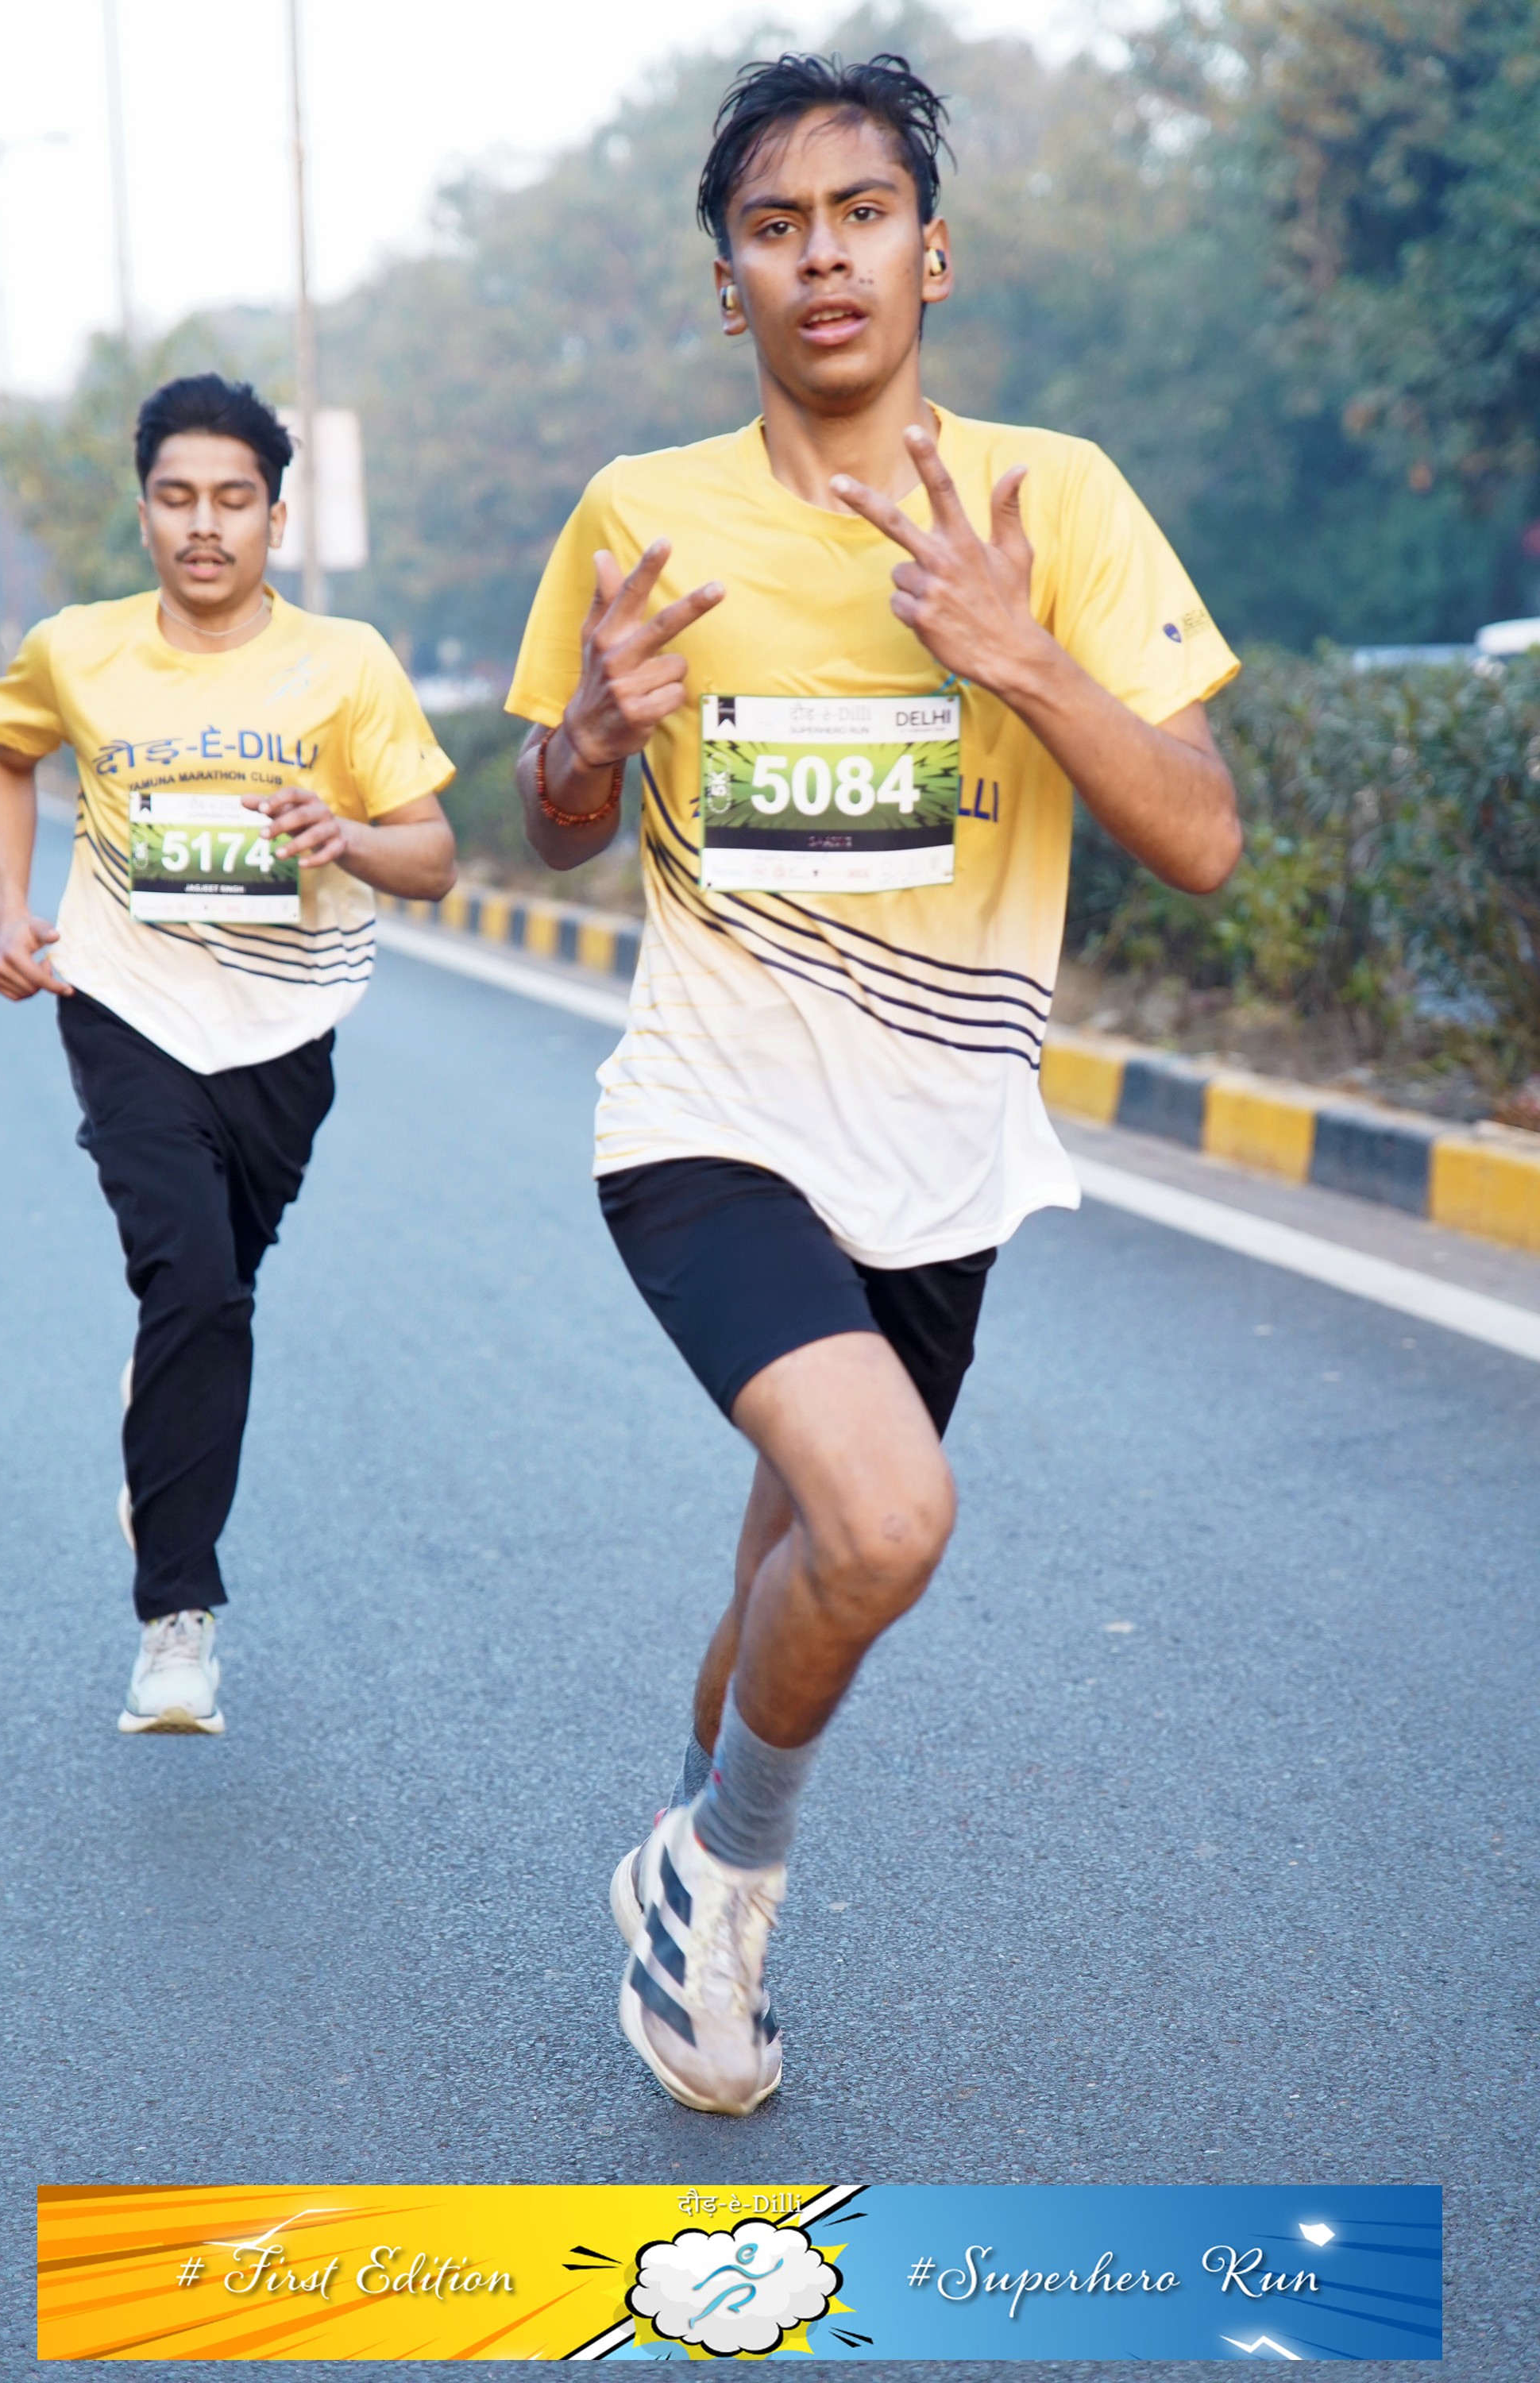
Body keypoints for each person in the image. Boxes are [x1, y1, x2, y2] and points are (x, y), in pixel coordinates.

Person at [506, 52, 1242, 2116]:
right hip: (710, 1120)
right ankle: (729, 1879)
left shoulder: (1052, 503)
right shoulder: (641, 512)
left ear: (933, 251)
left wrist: (1023, 658)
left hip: (942, 1146)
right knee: (890, 1515)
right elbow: (555, 820)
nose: (821, 256)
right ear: (724, 279)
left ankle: (681, 1844)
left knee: (797, 1561)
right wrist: (587, 740)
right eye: (774, 225)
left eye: (860, 213)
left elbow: (1201, 836)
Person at [0, 374, 456, 1736]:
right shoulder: (77, 649)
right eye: (177, 498)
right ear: (143, 515)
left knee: (211, 1296)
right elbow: (4, 757)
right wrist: (9, 911)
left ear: (274, 518)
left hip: (285, 1032)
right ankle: (175, 1626)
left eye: (232, 500)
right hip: (125, 1005)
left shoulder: (346, 662)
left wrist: (348, 836)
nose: (204, 524)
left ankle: (168, 1400)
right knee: (194, 1280)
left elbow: (433, 856)